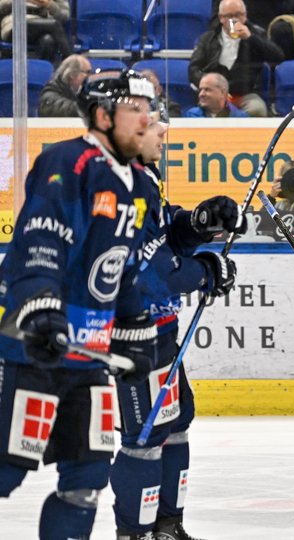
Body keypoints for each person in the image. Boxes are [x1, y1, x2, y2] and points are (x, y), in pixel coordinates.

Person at [0, 69, 162, 540]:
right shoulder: (68, 162)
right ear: (102, 115)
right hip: (35, 349)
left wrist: (134, 333)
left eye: (147, 109)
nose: (146, 118)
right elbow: (41, 242)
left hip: (88, 360)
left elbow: (124, 269)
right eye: (134, 108)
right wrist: (43, 310)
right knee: (7, 469)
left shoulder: (140, 185)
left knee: (87, 480)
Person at [110, 107, 244, 540]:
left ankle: (167, 526)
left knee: (175, 422)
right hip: (132, 333)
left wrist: (200, 224)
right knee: (144, 436)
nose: (164, 132)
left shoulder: (142, 176)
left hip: (159, 325)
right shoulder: (114, 185)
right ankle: (136, 533)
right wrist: (205, 273)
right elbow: (145, 271)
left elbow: (164, 233)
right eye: (154, 123)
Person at [189, 0, 284, 117]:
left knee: (257, 109)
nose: (234, 20)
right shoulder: (207, 39)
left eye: (238, 15)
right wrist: (209, 86)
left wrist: (251, 38)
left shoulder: (256, 34)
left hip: (245, 93)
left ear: (245, 15)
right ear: (221, 18)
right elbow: (193, 69)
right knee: (205, 109)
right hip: (215, 93)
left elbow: (278, 57)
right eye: (229, 16)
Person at [0, 0, 71, 64]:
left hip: (43, 24)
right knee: (54, 25)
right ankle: (70, 62)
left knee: (48, 40)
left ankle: (40, 75)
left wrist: (49, 4)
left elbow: (64, 16)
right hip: (15, 24)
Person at [184, 73, 250, 118]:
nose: (201, 94)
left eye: (207, 89)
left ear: (222, 92)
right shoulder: (191, 115)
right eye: (200, 90)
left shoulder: (240, 118)